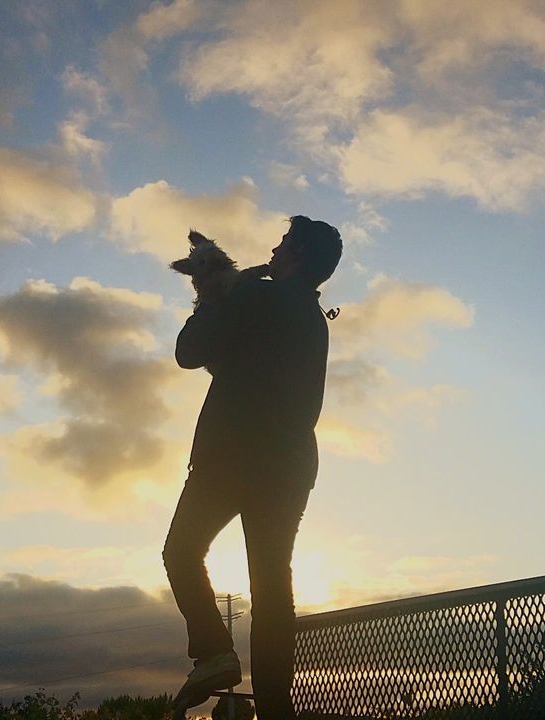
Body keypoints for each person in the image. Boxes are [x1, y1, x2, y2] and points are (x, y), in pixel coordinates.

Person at [164, 216, 342, 720]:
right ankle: (275, 710)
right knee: (271, 585)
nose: (274, 246)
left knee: (180, 553)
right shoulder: (312, 319)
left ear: (298, 255)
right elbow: (240, 363)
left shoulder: (257, 297)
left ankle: (216, 653)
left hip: (231, 456)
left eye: (284, 241)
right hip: (289, 463)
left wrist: (216, 292)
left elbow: (188, 352)